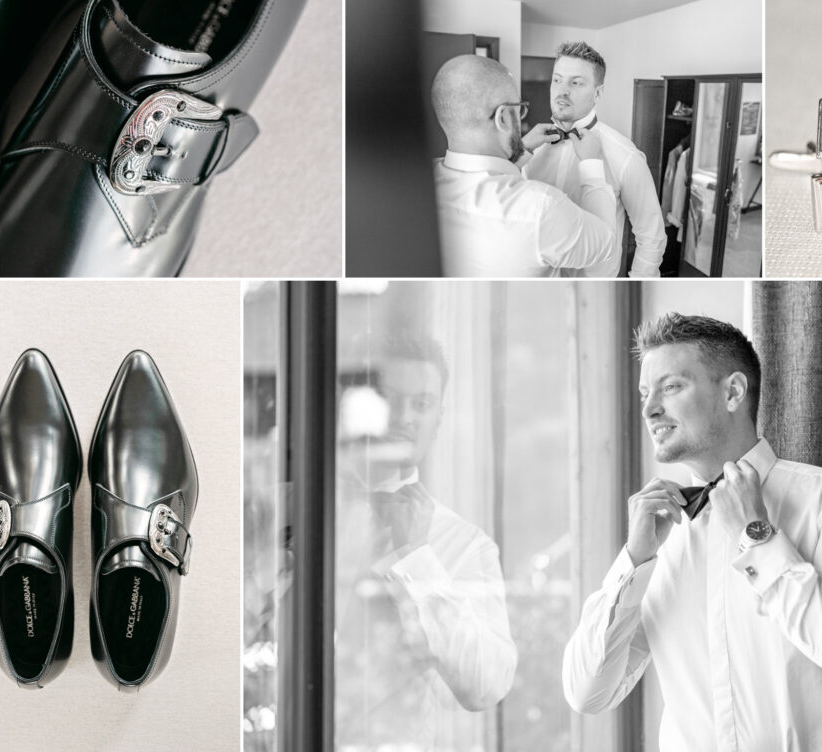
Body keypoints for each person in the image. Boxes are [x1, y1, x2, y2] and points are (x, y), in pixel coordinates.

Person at [563, 313, 822, 751]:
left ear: (733, 392)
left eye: (671, 387)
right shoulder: (660, 540)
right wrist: (633, 560)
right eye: (645, 393)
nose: (649, 409)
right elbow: (588, 692)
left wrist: (757, 535)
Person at [335, 333, 517, 750]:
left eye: (422, 403)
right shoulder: (301, 515)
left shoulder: (466, 545)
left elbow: (485, 687)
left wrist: (416, 558)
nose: (404, 416)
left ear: (438, 418)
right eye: (389, 398)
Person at [431, 54, 621, 277]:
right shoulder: (540, 208)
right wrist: (592, 166)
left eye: (576, 82)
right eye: (518, 109)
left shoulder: (416, 184)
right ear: (503, 118)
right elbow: (606, 243)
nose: (563, 91)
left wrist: (520, 151)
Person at [522, 42, 667, 278]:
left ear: (598, 92)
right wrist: (520, 150)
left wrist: (636, 283)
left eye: (576, 83)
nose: (562, 91)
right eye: (557, 80)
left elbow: (651, 236)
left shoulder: (626, 156)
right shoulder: (527, 148)